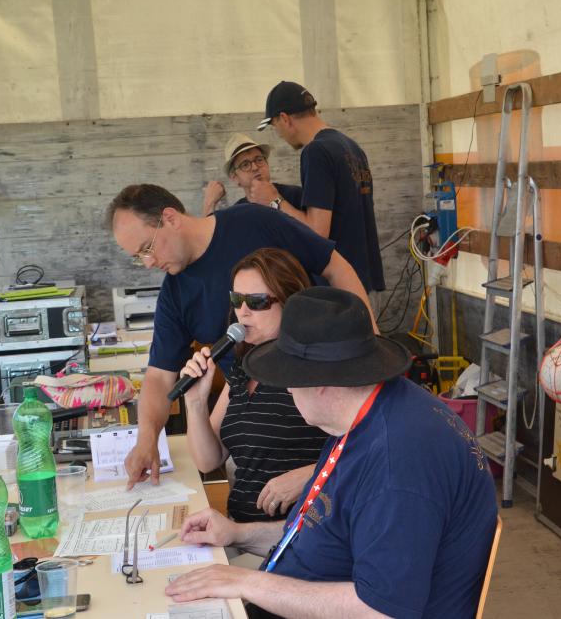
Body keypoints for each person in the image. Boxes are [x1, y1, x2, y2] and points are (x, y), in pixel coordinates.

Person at [165, 287, 498, 618]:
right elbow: (322, 530)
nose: (287, 389)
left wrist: (246, 583)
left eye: (288, 377)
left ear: (318, 381)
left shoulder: (397, 462)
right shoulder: (371, 410)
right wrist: (237, 534)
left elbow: (380, 610)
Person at [105, 184, 372, 490]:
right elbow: (159, 377)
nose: (148, 263)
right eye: (138, 257)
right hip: (248, 417)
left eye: (147, 248)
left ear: (170, 218)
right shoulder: (175, 293)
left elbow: (335, 267)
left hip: (318, 390)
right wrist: (146, 439)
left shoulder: (253, 222)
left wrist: (372, 346)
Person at [180, 248, 329, 523]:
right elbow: (208, 460)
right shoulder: (244, 366)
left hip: (298, 535)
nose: (243, 312)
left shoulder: (315, 369)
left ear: (290, 302)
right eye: (237, 299)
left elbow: (366, 451)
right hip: (238, 530)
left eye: (257, 302)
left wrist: (312, 474)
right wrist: (195, 402)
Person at [255, 81, 385, 295]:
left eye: (274, 125)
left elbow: (317, 232)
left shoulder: (316, 152)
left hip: (340, 286)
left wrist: (274, 200)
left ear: (285, 118)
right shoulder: (352, 147)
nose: (278, 133)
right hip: (363, 279)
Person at [202, 133, 303, 216]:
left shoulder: (294, 195)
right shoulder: (237, 214)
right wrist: (209, 202)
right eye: (245, 165)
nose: (255, 167)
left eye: (259, 160)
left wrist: (275, 201)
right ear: (235, 178)